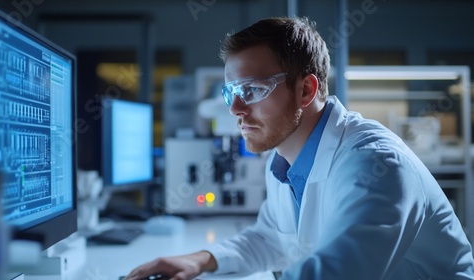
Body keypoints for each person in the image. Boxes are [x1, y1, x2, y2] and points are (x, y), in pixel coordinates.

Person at [126, 16, 474, 280]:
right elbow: (271, 239)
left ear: (306, 90)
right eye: (231, 93)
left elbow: (336, 273)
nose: (234, 109)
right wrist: (201, 259)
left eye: (251, 90)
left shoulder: (376, 164)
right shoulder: (283, 159)